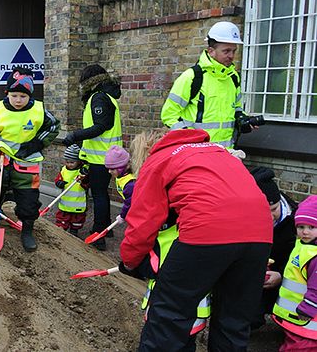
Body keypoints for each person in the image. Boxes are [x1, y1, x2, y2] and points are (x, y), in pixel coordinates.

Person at [119, 128, 272, 351]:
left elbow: (143, 222)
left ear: (145, 150)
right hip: (260, 234)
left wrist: (130, 262)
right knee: (233, 323)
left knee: (169, 318)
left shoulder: (159, 159)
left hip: (207, 233)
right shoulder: (217, 151)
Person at [0, 67, 60, 252]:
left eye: (23, 97)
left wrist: (37, 143)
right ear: (7, 93)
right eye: (14, 95)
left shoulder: (39, 111)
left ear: (30, 96)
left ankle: (27, 231)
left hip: (26, 165)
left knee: (28, 202)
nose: (18, 100)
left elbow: (54, 126)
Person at [161, 21, 257, 148]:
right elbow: (169, 115)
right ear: (211, 51)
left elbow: (236, 108)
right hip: (197, 154)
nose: (231, 56)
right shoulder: (192, 77)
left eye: (234, 51)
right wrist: (189, 139)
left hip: (226, 153)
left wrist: (242, 119)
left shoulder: (233, 78)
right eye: (226, 51)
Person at [62, 64, 122, 251]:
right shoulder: (107, 96)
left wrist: (75, 135)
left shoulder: (99, 98)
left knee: (99, 195)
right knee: (101, 193)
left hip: (101, 158)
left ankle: (99, 234)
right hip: (107, 154)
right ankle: (106, 228)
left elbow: (100, 126)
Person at [249, 166, 298, 328]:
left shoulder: (297, 222)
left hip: (287, 280)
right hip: (254, 281)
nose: (270, 217)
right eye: (263, 211)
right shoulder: (243, 219)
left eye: (274, 209)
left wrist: (281, 274)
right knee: (249, 320)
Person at [273, 196, 317, 350]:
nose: (305, 232)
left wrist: (308, 307)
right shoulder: (303, 245)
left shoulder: (314, 254)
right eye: (301, 227)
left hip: (307, 318)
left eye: (311, 228)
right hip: (297, 317)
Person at [54, 144, 89, 236]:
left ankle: (74, 231)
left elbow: (86, 184)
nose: (69, 164)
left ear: (78, 162)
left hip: (78, 202)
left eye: (72, 162)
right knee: (62, 219)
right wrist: (59, 183)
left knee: (77, 220)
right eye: (67, 162)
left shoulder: (81, 172)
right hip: (65, 203)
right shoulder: (64, 170)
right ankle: (61, 232)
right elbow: (58, 179)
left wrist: (83, 179)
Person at [105, 145, 134, 224]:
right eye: (108, 169)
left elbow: (129, 203)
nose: (109, 172)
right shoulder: (122, 177)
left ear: (122, 167)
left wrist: (122, 216)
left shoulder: (130, 184)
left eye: (112, 169)